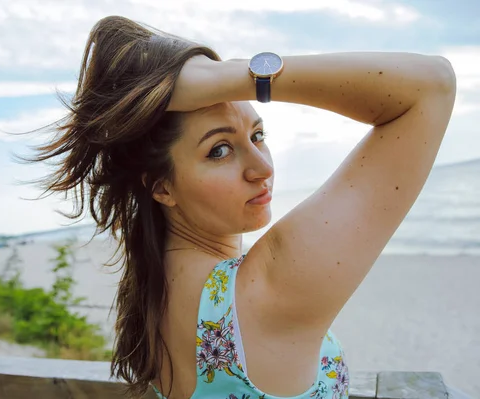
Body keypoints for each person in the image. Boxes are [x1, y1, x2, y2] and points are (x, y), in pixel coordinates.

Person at [28, 15, 456, 399]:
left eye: (257, 135)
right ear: (161, 187)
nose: (261, 167)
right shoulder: (261, 291)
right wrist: (240, 76)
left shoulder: (155, 289)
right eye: (218, 151)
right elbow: (430, 86)